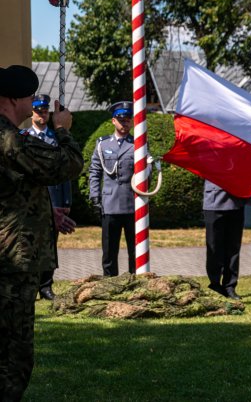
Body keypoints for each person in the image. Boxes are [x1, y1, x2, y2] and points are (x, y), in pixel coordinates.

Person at [0, 64, 83, 401]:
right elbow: (65, 165)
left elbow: (16, 188)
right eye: (31, 95)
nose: (35, 101)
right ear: (11, 98)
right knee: (13, 358)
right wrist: (62, 130)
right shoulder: (8, 138)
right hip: (11, 264)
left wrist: (49, 213)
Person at [89, 101, 147, 277]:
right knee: (109, 251)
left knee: (135, 250)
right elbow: (95, 171)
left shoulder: (138, 144)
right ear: (114, 121)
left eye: (128, 119)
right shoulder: (103, 144)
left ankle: (134, 281)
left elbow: (146, 172)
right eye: (121, 120)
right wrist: (95, 196)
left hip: (132, 203)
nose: (125, 123)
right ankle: (109, 282)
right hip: (110, 203)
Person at [27, 94, 73, 300]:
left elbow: (66, 173)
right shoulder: (23, 137)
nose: (42, 113)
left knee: (49, 246)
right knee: (29, 244)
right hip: (29, 202)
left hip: (54, 201)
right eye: (38, 110)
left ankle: (46, 285)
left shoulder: (57, 139)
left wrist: (66, 201)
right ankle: (30, 284)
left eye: (45, 110)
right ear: (31, 112)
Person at [203, 180, 249, 300]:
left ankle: (230, 286)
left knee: (233, 248)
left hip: (236, 202)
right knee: (214, 247)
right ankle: (215, 284)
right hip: (213, 202)